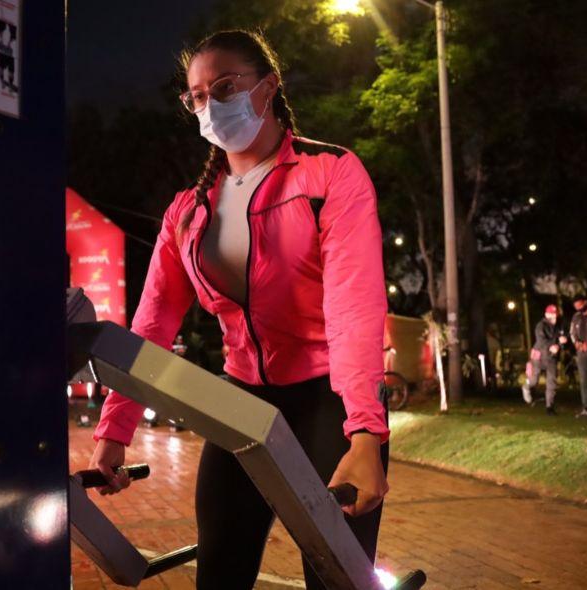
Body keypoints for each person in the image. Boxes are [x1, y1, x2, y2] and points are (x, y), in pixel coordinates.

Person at [87, 30, 390, 589]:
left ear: (269, 87)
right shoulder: (188, 210)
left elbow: (353, 305)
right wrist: (115, 428)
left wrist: (365, 434)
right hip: (241, 405)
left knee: (337, 580)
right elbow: (152, 323)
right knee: (220, 575)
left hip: (330, 403)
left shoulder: (330, 173)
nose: (209, 105)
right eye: (197, 96)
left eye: (223, 87)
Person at [522, 304, 566, 415]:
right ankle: (527, 386)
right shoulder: (540, 326)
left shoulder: (559, 326)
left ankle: (549, 407)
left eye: (555, 315)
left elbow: (562, 341)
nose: (554, 317)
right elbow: (541, 341)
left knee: (552, 382)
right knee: (534, 380)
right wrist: (554, 344)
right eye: (552, 315)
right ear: (546, 315)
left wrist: (561, 344)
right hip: (538, 356)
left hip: (551, 357)